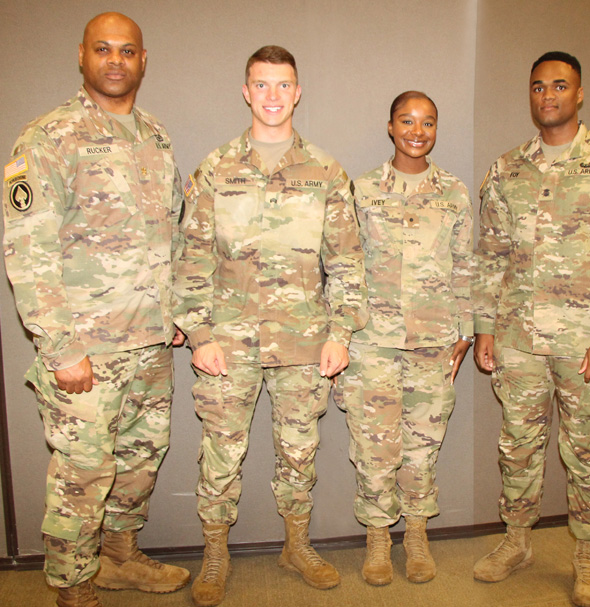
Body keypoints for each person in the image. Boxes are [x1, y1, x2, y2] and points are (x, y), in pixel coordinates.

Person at [2, 12, 190, 607]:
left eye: (127, 50)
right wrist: (60, 348)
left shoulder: (155, 138)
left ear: (143, 59)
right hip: (87, 350)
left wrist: (177, 312)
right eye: (103, 49)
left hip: (150, 345)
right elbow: (26, 252)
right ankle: (73, 589)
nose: (116, 60)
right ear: (81, 56)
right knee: (81, 479)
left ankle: (117, 559)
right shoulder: (48, 137)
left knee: (138, 463)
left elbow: (174, 234)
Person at [173, 45, 368, 606]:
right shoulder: (215, 169)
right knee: (220, 453)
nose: (273, 96)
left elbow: (347, 259)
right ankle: (215, 552)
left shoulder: (326, 172)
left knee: (299, 450)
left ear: (298, 91)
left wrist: (341, 332)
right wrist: (201, 335)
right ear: (246, 91)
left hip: (305, 342)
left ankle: (297, 544)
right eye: (262, 85)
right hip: (228, 345)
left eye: (283, 85)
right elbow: (191, 258)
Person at [472, 52, 590, 607]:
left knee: (588, 450)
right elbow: (491, 255)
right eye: (537, 87)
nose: (547, 95)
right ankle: (517, 540)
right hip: (519, 340)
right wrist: (485, 327)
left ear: (579, 94)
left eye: (559, 85)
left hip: (586, 344)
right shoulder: (506, 170)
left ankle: (588, 553)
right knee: (519, 446)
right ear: (529, 97)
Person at [335, 91, 473, 585]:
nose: (418, 130)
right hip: (372, 341)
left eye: (428, 122)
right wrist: (342, 329)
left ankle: (415, 534)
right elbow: (344, 264)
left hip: (435, 341)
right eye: (407, 120)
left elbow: (464, 265)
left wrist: (467, 329)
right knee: (375, 444)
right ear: (389, 126)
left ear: (436, 130)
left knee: (423, 443)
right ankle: (377, 536)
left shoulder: (453, 192)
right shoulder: (362, 190)